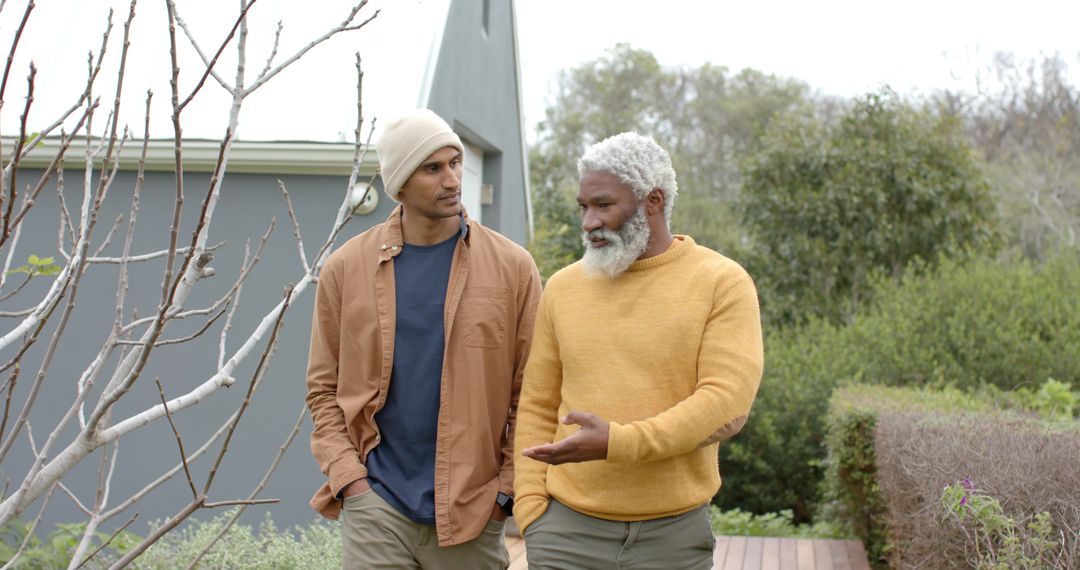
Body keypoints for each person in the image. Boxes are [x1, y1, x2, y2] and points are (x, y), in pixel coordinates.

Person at [513, 132, 764, 569]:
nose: (588, 221)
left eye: (604, 205)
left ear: (653, 200)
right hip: (564, 533)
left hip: (672, 537)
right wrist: (532, 508)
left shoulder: (722, 282)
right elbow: (537, 403)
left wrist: (618, 442)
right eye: (583, 206)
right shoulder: (563, 288)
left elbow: (725, 403)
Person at [306, 109, 541, 569]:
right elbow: (323, 389)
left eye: (455, 162)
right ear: (399, 183)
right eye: (433, 168)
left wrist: (505, 493)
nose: (453, 179)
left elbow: (532, 393)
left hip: (473, 508)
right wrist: (350, 480)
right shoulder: (346, 269)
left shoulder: (513, 267)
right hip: (377, 505)